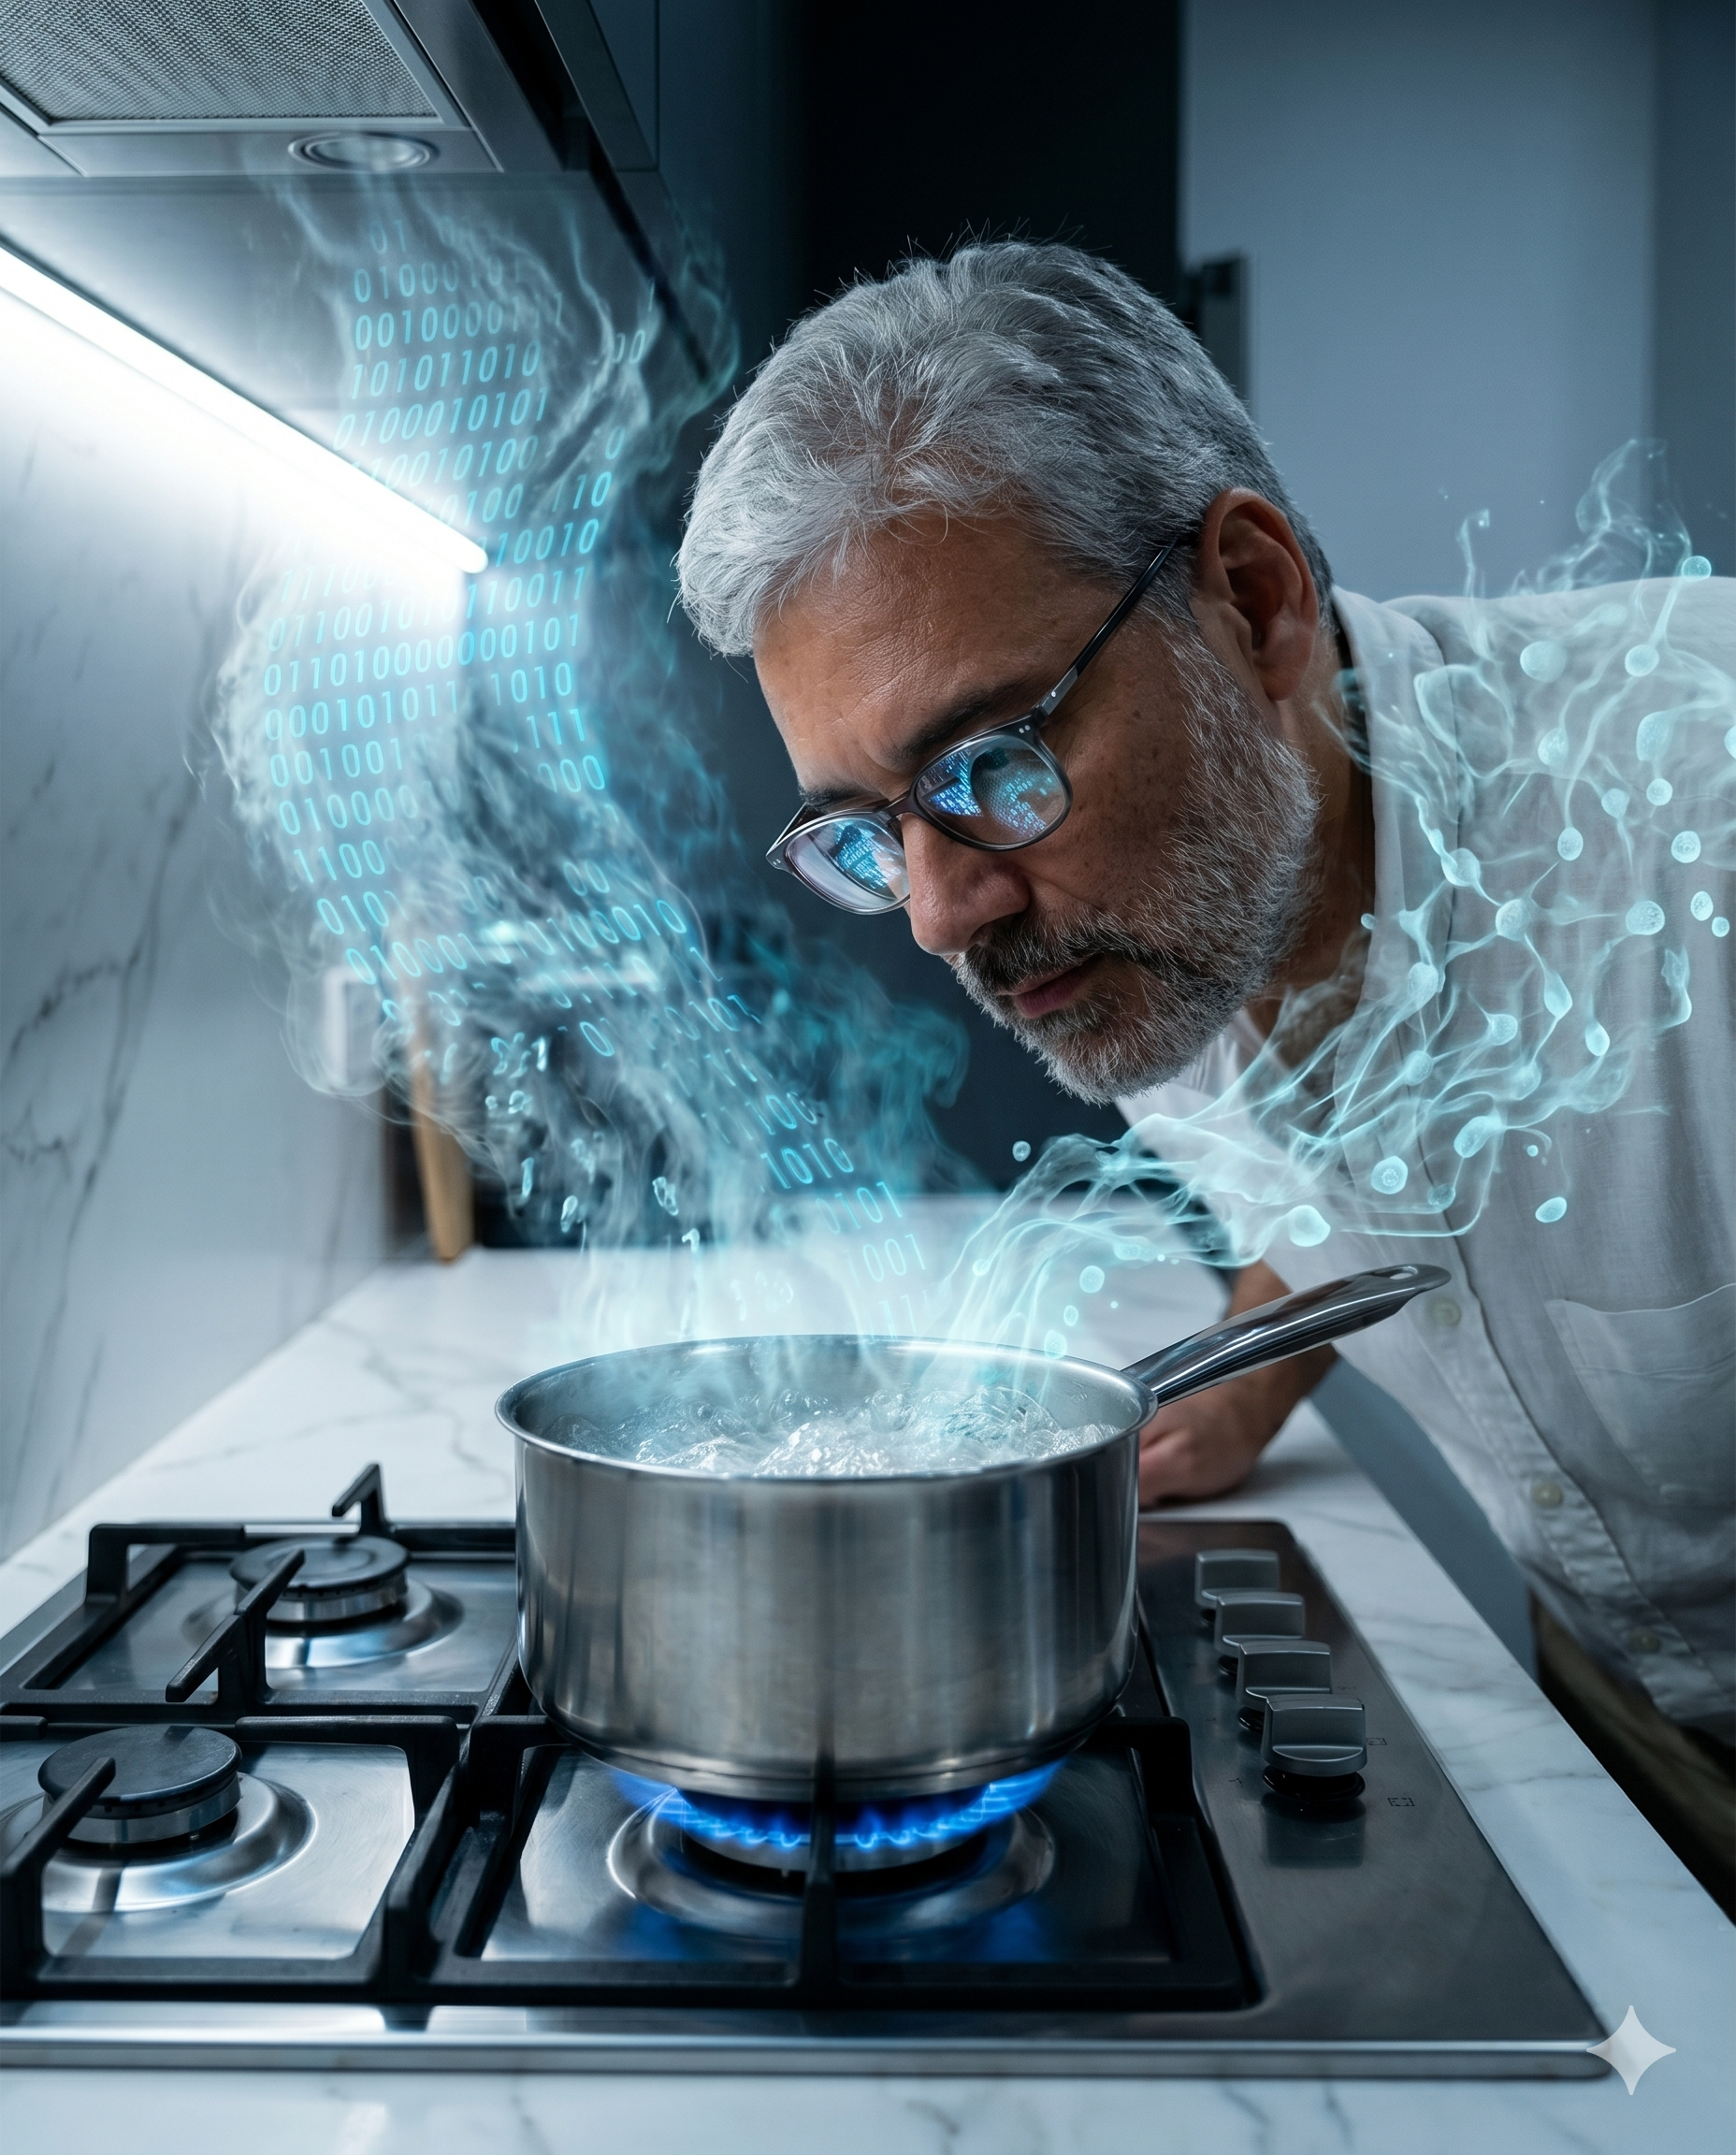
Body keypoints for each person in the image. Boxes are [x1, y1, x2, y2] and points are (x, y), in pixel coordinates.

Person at [675, 241, 1734, 1908]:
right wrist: (1254, 1358)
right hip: (1628, 1716)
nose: (945, 913)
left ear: (1252, 601)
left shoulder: (1702, 815)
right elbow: (1351, 1147)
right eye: (870, 833)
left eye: (994, 765)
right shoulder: (1168, 897)